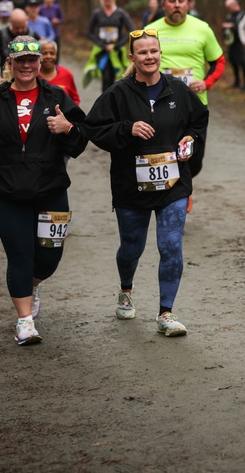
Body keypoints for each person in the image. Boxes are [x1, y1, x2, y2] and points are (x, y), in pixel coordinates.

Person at [0, 35, 87, 345]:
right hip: (5, 192)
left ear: (41, 63)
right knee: (20, 254)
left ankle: (32, 284)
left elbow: (82, 137)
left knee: (50, 257)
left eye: (32, 60)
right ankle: (25, 322)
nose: (26, 65)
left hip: (51, 189)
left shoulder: (57, 96)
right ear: (9, 63)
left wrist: (68, 129)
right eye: (19, 60)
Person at [83, 28, 209, 337]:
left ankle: (166, 312)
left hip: (173, 185)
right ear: (132, 57)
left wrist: (190, 140)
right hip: (131, 186)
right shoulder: (118, 93)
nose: (149, 57)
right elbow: (94, 128)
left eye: (154, 51)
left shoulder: (178, 90)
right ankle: (126, 289)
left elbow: (199, 119)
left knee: (170, 245)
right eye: (142, 52)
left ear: (160, 54)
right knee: (131, 247)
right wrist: (126, 129)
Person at [147, 0, 224, 182]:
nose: (177, 4)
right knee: (164, 151)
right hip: (160, 102)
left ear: (188, 4)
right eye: (172, 1)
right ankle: (176, 192)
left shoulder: (202, 29)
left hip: (194, 103)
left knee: (194, 156)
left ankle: (184, 182)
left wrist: (207, 83)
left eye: (181, 1)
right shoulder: (151, 31)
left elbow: (219, 61)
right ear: (164, 4)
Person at [84, 0, 136, 93]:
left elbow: (132, 30)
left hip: (116, 50)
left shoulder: (120, 13)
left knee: (118, 76)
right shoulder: (97, 13)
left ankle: (115, 99)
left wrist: (118, 44)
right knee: (106, 77)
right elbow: (89, 32)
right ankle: (106, 100)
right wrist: (102, 45)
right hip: (102, 51)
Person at [0, 8, 35, 85]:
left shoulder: (33, 36)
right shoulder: (1, 35)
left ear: (27, 22)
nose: (20, 31)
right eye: (17, 28)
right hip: (7, 79)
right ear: (10, 23)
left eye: (22, 27)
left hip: (29, 79)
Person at [38, 39, 80, 105]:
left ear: (56, 55)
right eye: (44, 53)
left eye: (52, 53)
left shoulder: (66, 74)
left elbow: (75, 99)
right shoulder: (32, 76)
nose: (48, 56)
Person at [222, 0, 245, 90]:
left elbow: (242, 28)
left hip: (241, 43)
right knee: (233, 62)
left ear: (234, 4)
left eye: (230, 7)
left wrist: (232, 26)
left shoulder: (243, 15)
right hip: (232, 43)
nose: (229, 9)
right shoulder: (229, 15)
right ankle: (237, 81)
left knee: (242, 63)